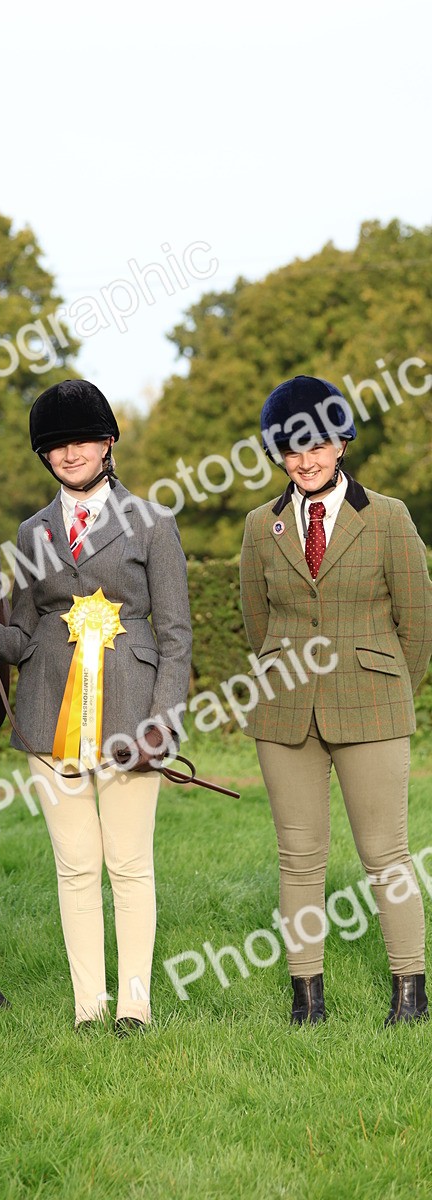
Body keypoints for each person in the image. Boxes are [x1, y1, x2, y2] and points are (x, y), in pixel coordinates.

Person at [0, 379, 192, 1033]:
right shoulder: (32, 532)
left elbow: (177, 636)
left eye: (82, 440)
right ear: (45, 455)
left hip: (132, 715)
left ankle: (135, 1005)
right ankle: (89, 1006)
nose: (70, 453)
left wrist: (164, 722)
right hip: (49, 716)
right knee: (76, 866)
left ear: (107, 443)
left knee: (129, 864)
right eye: (57, 445)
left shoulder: (153, 522)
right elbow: (24, 634)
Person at [240, 374, 432, 1026]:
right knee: (298, 860)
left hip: (373, 706)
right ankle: (307, 1001)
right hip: (285, 712)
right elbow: (257, 621)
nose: (306, 460)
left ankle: (410, 996)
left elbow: (417, 623)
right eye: (292, 449)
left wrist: (388, 685)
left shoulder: (389, 517)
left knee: (387, 856)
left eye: (317, 444)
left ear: (342, 442)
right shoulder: (258, 526)